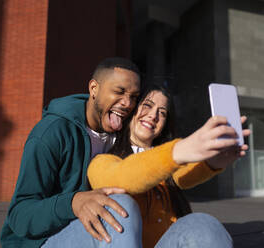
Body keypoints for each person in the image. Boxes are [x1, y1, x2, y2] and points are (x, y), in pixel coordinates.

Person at [0, 57, 143, 247]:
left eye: (134, 96)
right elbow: (20, 215)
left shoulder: (126, 135)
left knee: (194, 225)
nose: (127, 103)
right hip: (42, 241)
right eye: (119, 91)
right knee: (119, 208)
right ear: (94, 89)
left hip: (101, 233)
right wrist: (73, 202)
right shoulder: (51, 133)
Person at [87, 84, 250, 248]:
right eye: (147, 106)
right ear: (132, 111)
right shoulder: (102, 160)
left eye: (162, 113)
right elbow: (120, 178)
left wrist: (215, 160)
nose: (153, 116)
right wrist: (178, 151)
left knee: (202, 223)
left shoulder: (170, 166)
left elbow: (184, 175)